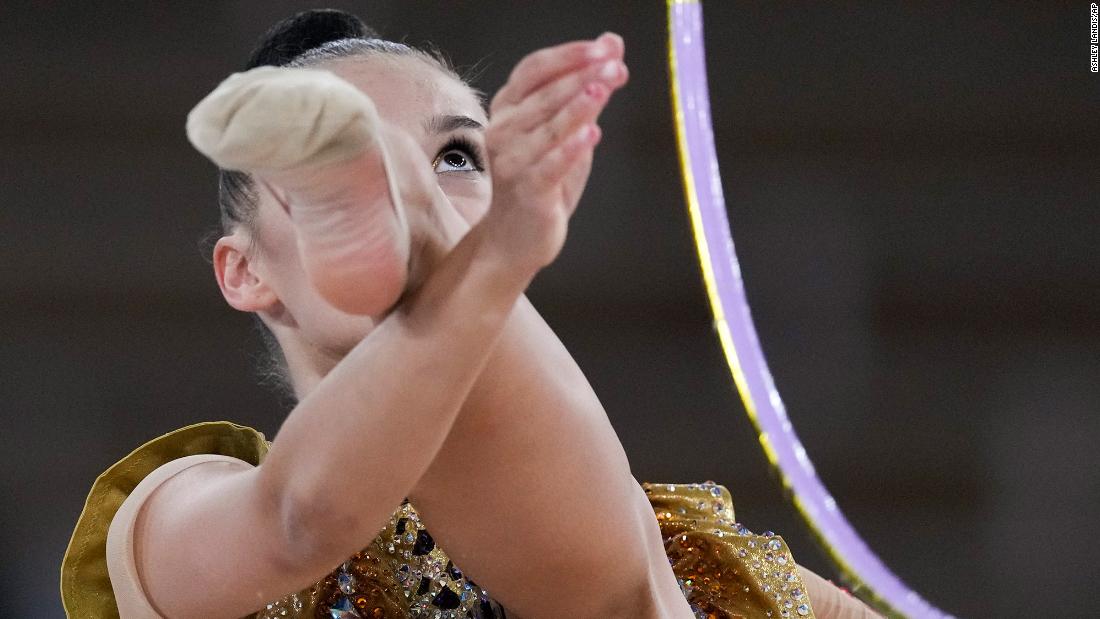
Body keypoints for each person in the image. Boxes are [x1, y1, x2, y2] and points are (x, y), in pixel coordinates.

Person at [60, 9, 879, 619]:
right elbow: (298, 520)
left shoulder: (663, 536)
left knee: (642, 576)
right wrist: (492, 258)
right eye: (347, 153)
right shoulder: (181, 501)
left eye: (456, 156)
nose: (428, 170)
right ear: (244, 271)